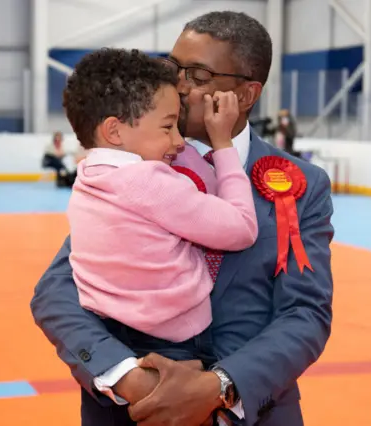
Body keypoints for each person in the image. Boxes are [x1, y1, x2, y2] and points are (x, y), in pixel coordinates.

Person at [31, 10, 334, 426]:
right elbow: (57, 291)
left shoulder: (300, 185)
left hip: (252, 413)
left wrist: (219, 387)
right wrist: (127, 377)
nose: (179, 84)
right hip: (137, 409)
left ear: (246, 94)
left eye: (199, 75)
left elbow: (305, 314)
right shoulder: (137, 163)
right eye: (174, 68)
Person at [64, 48, 258, 408]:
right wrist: (223, 145)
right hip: (175, 345)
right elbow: (242, 227)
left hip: (114, 341)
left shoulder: (89, 177)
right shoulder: (147, 180)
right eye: (168, 126)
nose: (178, 141)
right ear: (114, 130)